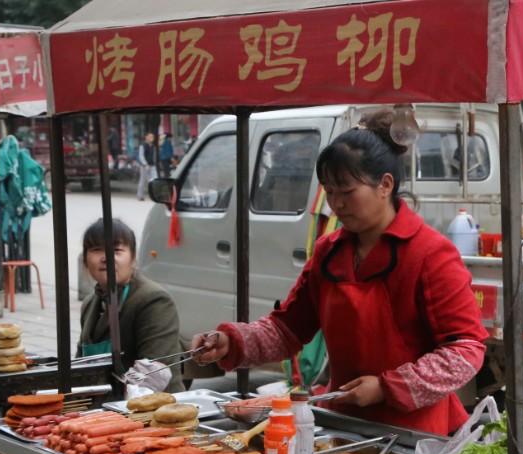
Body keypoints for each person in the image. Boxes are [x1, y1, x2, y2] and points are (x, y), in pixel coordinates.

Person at [191, 108, 488, 435]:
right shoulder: (328, 252)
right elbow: (287, 330)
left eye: (347, 192)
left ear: (385, 185)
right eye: (329, 191)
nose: (337, 204)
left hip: (415, 433)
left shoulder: (430, 253)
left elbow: (465, 349)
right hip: (341, 423)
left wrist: (389, 387)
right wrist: (232, 342)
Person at [77, 218, 185, 392]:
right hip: (106, 405)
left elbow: (154, 373)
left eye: (116, 251)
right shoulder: (90, 303)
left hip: (154, 407)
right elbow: (80, 365)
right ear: (85, 260)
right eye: (97, 250)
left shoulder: (153, 300)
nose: (106, 258)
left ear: (133, 258)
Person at [136, 132, 157, 201]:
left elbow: (154, 156)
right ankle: (140, 195)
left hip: (152, 165)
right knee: (143, 181)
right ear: (146, 137)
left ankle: (155, 196)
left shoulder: (153, 146)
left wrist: (154, 163)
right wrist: (145, 164)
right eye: (150, 137)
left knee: (155, 179)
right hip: (145, 166)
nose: (152, 138)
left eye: (152, 137)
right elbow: (141, 155)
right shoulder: (142, 146)